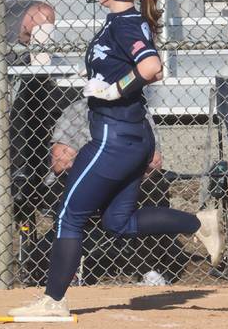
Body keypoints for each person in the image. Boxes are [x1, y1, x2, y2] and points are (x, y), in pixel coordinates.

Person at [9, 0, 224, 317]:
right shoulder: (119, 21)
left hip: (115, 137)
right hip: (129, 135)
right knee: (118, 222)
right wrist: (101, 81)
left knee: (69, 216)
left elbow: (152, 67)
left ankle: (53, 300)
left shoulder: (126, 23)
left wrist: (114, 88)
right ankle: (198, 222)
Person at [48, 98, 187, 285]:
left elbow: (154, 162)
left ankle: (149, 269)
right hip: (86, 181)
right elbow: (60, 163)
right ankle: (69, 273)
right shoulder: (80, 109)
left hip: (127, 183)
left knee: (156, 185)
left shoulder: (138, 111)